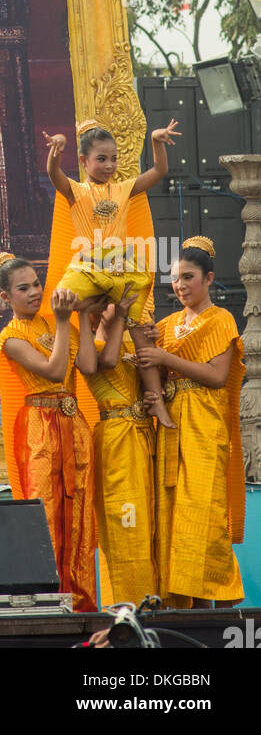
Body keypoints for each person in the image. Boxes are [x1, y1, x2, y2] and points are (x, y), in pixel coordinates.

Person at [42, 117, 181, 428]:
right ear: (84, 161)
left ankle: (155, 399)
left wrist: (157, 141)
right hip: (88, 267)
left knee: (142, 328)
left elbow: (159, 172)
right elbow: (55, 175)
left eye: (114, 158)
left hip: (119, 266)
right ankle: (59, 381)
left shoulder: (123, 188)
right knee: (62, 301)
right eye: (101, 159)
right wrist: (56, 150)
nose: (109, 165)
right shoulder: (77, 191)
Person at [136, 237, 245, 608]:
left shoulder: (221, 319)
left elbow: (216, 376)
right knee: (173, 516)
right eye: (175, 278)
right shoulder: (166, 325)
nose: (180, 285)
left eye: (188, 277)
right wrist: (155, 395)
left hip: (205, 424)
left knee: (205, 516)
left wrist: (165, 356)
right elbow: (155, 372)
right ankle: (185, 613)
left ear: (209, 278)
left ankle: (222, 610)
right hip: (171, 427)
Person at [0, 251, 99, 612]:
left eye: (37, 284)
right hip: (40, 430)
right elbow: (54, 373)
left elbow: (85, 365)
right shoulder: (12, 336)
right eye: (24, 288)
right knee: (48, 514)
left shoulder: (51, 325)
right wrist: (65, 321)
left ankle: (82, 608)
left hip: (74, 426)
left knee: (81, 519)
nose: (35, 292)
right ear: (6, 297)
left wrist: (82, 314)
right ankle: (49, 608)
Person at [83, 292, 158, 606]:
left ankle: (156, 610)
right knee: (125, 526)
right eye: (110, 301)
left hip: (144, 439)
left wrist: (152, 342)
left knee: (150, 529)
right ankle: (128, 611)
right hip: (117, 442)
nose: (117, 306)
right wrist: (125, 319)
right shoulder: (90, 345)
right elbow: (109, 361)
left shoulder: (132, 339)